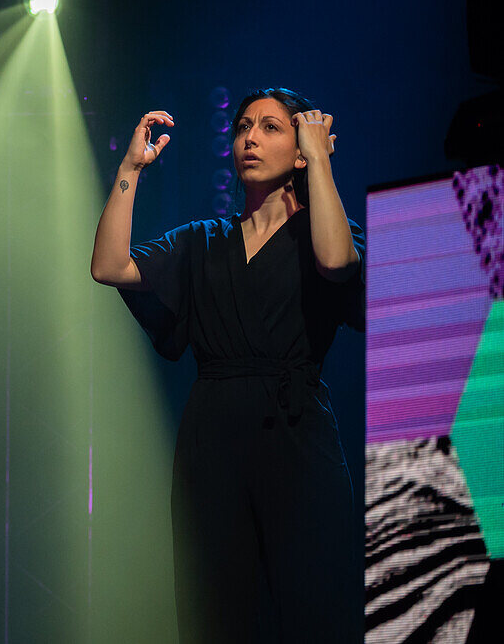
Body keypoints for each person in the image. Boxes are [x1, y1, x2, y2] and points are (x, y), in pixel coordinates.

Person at [91, 88, 363, 643]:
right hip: (212, 441)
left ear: (301, 147)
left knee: (313, 603)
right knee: (216, 609)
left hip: (295, 437)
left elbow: (337, 262)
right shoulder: (202, 242)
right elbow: (109, 265)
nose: (250, 138)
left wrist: (321, 164)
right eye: (243, 127)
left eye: (270, 127)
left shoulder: (321, 232)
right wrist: (130, 169)